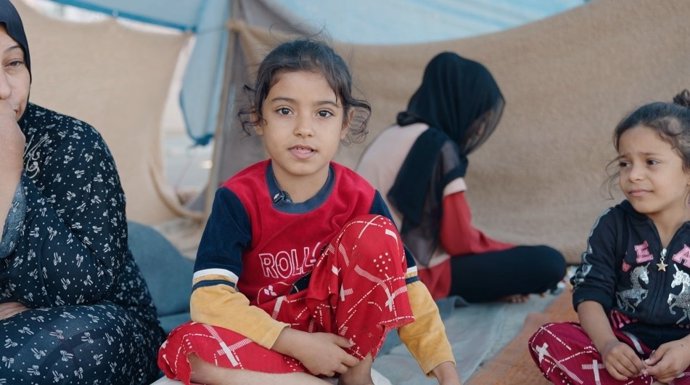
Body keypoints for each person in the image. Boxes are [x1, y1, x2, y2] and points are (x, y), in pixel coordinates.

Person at [157, 39, 461, 385]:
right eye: (285, 111)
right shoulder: (237, 198)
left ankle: (356, 377)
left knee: (375, 235)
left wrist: (444, 369)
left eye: (323, 113)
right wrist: (296, 343)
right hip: (271, 343)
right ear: (259, 119)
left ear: (345, 124)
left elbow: (407, 288)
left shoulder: (360, 197)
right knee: (181, 348)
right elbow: (209, 298)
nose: (304, 127)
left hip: (341, 349)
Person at [0, 1, 164, 384]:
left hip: (98, 323)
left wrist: (9, 175)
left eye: (13, 64)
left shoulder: (72, 142)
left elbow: (84, 286)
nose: (4, 89)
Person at [356, 52, 566, 302]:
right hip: (413, 277)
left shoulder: (394, 132)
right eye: (477, 115)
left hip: (362, 270)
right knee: (549, 262)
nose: (477, 127)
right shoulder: (438, 147)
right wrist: (507, 250)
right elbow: (459, 241)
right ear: (459, 103)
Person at [528, 90, 690, 385]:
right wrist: (607, 346)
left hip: (686, 352)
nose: (633, 175)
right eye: (625, 163)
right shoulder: (613, 224)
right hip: (628, 341)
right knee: (548, 339)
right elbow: (590, 292)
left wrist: (686, 349)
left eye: (650, 162)